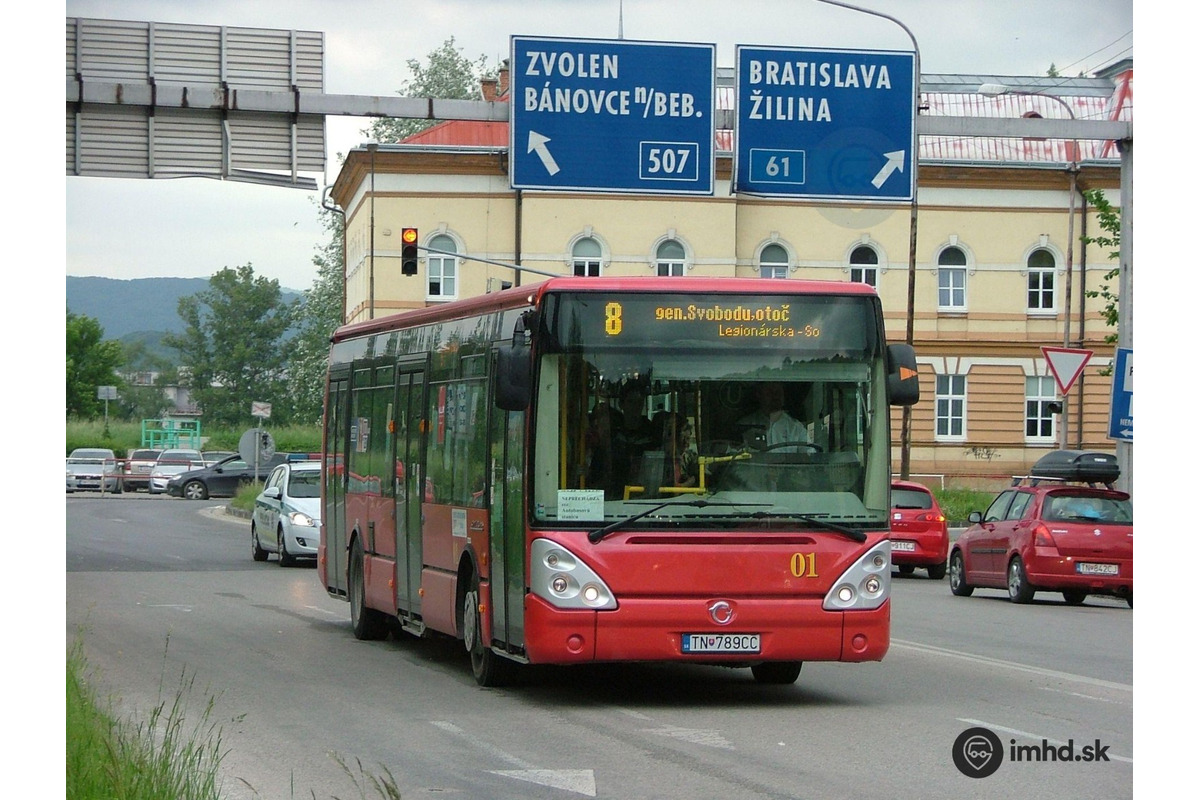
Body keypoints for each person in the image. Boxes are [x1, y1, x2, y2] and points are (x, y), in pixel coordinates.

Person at [737, 382, 807, 452]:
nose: (775, 397)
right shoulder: (744, 425)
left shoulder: (796, 428)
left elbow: (809, 455)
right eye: (770, 392)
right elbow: (735, 452)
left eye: (778, 392)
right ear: (759, 394)